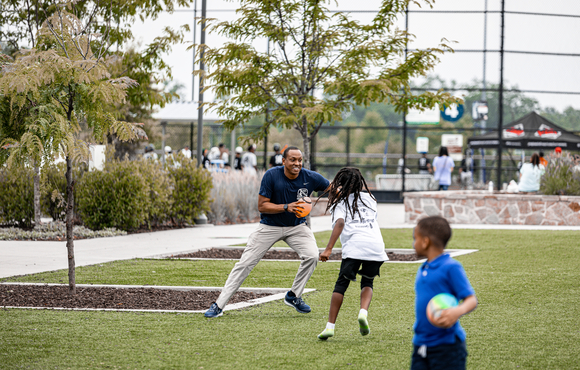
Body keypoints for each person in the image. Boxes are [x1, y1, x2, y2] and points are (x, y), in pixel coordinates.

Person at [204, 147, 330, 318]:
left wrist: (348, 191)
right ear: (283, 161)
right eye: (293, 160)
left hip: (297, 227)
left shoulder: (310, 177)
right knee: (245, 263)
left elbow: (333, 189)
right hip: (270, 226)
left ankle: (293, 296)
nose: (297, 163)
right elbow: (262, 206)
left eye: (299, 160)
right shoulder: (271, 175)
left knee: (312, 256)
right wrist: (286, 207)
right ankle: (218, 305)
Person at [317, 167, 389, 341]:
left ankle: (330, 327)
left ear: (340, 184)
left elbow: (340, 223)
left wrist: (328, 249)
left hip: (355, 246)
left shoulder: (340, 202)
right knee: (368, 281)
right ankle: (363, 313)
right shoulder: (371, 199)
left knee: (341, 285)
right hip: (376, 246)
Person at [411, 216, 478, 370]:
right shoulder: (424, 268)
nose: (414, 244)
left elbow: (471, 300)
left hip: (447, 347)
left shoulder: (451, 267)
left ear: (425, 241)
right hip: (421, 343)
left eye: (416, 238)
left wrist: (457, 311)